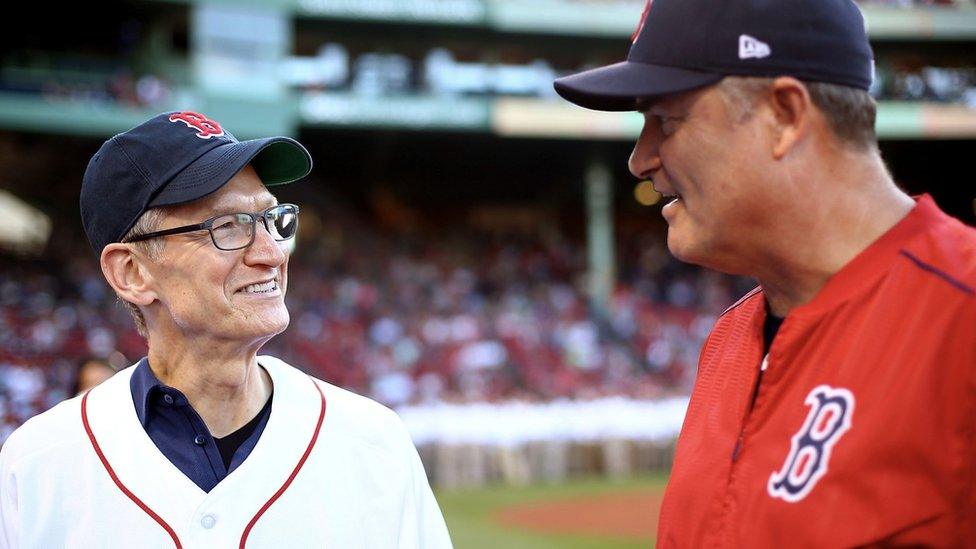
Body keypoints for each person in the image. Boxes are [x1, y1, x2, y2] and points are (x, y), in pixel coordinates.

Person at [554, 0, 976, 546]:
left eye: (664, 120)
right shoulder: (729, 342)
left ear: (784, 115)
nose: (640, 158)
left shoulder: (961, 317)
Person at [0, 111, 453, 548]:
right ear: (133, 272)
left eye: (274, 221)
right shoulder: (37, 465)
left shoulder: (375, 444)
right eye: (229, 226)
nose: (272, 254)